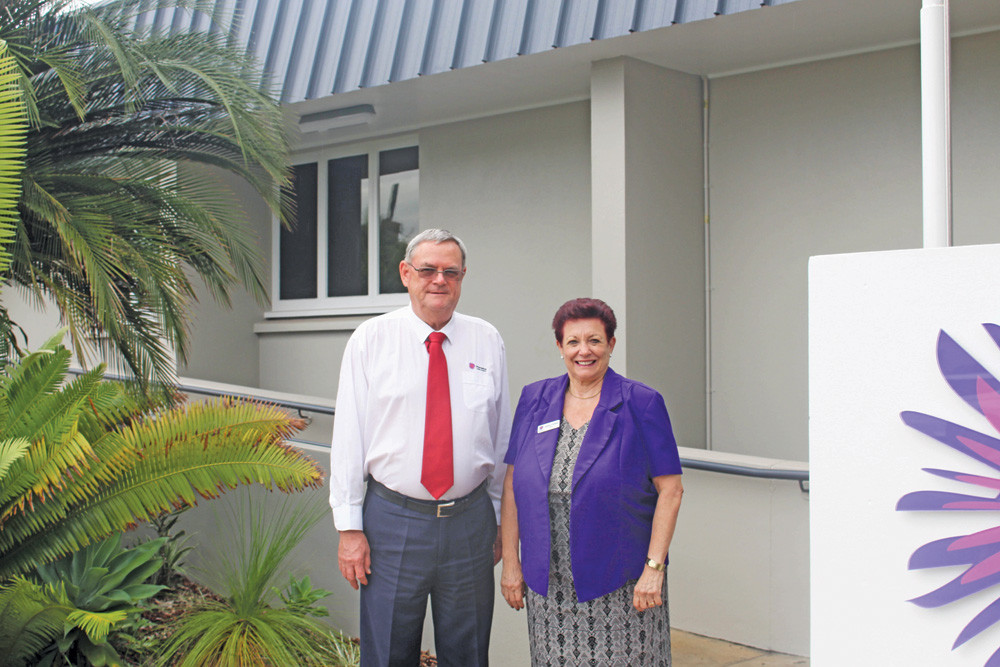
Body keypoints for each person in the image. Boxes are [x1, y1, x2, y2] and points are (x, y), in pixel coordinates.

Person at [329, 229, 511, 667]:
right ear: (406, 274)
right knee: (388, 651)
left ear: (463, 277)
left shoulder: (487, 340)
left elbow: (500, 436)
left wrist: (502, 520)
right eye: (427, 269)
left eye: (451, 271)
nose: (439, 280)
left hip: (469, 522)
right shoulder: (371, 340)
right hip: (392, 522)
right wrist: (350, 528)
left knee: (468, 653)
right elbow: (349, 438)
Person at [499, 297, 683, 666]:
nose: (584, 351)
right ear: (559, 347)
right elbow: (513, 484)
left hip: (621, 585)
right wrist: (510, 562)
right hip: (550, 587)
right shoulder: (535, 399)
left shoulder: (641, 403)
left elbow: (671, 490)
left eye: (595, 340)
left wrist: (654, 568)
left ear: (611, 344)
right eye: (573, 341)